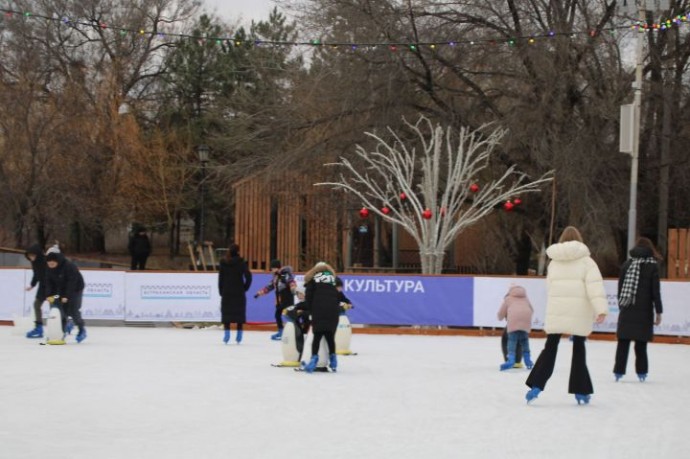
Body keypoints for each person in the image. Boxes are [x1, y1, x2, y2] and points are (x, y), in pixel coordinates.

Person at [525, 226, 608, 405]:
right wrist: (600, 309)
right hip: (579, 311)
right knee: (579, 349)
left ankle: (536, 385)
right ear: (579, 240)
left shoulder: (554, 262)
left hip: (558, 309)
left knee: (551, 347)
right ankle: (580, 390)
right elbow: (595, 287)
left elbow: (550, 287)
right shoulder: (587, 262)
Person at [614, 237, 663, 382]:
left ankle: (618, 371)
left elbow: (620, 289)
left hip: (627, 308)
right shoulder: (652, 266)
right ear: (650, 249)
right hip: (644, 311)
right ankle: (642, 373)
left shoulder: (627, 265)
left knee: (623, 342)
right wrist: (658, 312)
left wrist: (621, 305)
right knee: (641, 344)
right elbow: (656, 292)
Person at [301, 262, 340, 373]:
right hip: (333, 312)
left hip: (318, 310)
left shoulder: (313, 280)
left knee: (317, 336)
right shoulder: (333, 281)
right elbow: (338, 296)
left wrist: (310, 311)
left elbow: (308, 297)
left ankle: (314, 359)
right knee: (329, 336)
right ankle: (333, 359)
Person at [44, 252, 87, 343]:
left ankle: (81, 329)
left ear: (57, 262)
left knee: (73, 310)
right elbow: (48, 282)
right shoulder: (48, 268)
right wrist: (48, 295)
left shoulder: (69, 266)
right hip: (60, 289)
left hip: (75, 288)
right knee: (60, 310)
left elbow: (71, 282)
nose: (50, 266)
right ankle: (60, 332)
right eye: (49, 264)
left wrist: (66, 296)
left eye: (52, 264)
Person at [218, 244, 252, 344]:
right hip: (239, 291)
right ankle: (239, 334)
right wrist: (245, 287)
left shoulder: (224, 262)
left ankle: (227, 334)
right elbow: (249, 277)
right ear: (238, 251)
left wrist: (221, 290)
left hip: (227, 291)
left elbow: (221, 278)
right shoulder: (241, 262)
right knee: (239, 313)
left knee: (227, 313)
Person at [254, 259, 297, 340]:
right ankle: (281, 331)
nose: (272, 270)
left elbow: (291, 281)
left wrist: (293, 287)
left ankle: (294, 331)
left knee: (289, 315)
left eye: (273, 268)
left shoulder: (285, 274)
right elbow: (270, 286)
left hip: (287, 298)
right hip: (280, 299)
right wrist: (260, 293)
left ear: (277, 268)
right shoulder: (276, 277)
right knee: (278, 314)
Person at [497, 284, 534, 371]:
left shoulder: (508, 298)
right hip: (526, 320)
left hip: (513, 321)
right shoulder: (525, 297)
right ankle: (527, 359)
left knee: (512, 340)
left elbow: (500, 315)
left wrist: (504, 317)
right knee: (524, 340)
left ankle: (511, 360)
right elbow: (531, 310)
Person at [24, 244, 48, 338]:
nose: (31, 258)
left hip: (52, 287)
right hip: (42, 287)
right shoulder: (34, 263)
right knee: (37, 304)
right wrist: (32, 285)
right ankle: (39, 327)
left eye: (33, 255)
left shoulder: (46, 261)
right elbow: (36, 274)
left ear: (38, 254)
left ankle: (64, 324)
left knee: (55, 306)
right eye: (29, 256)